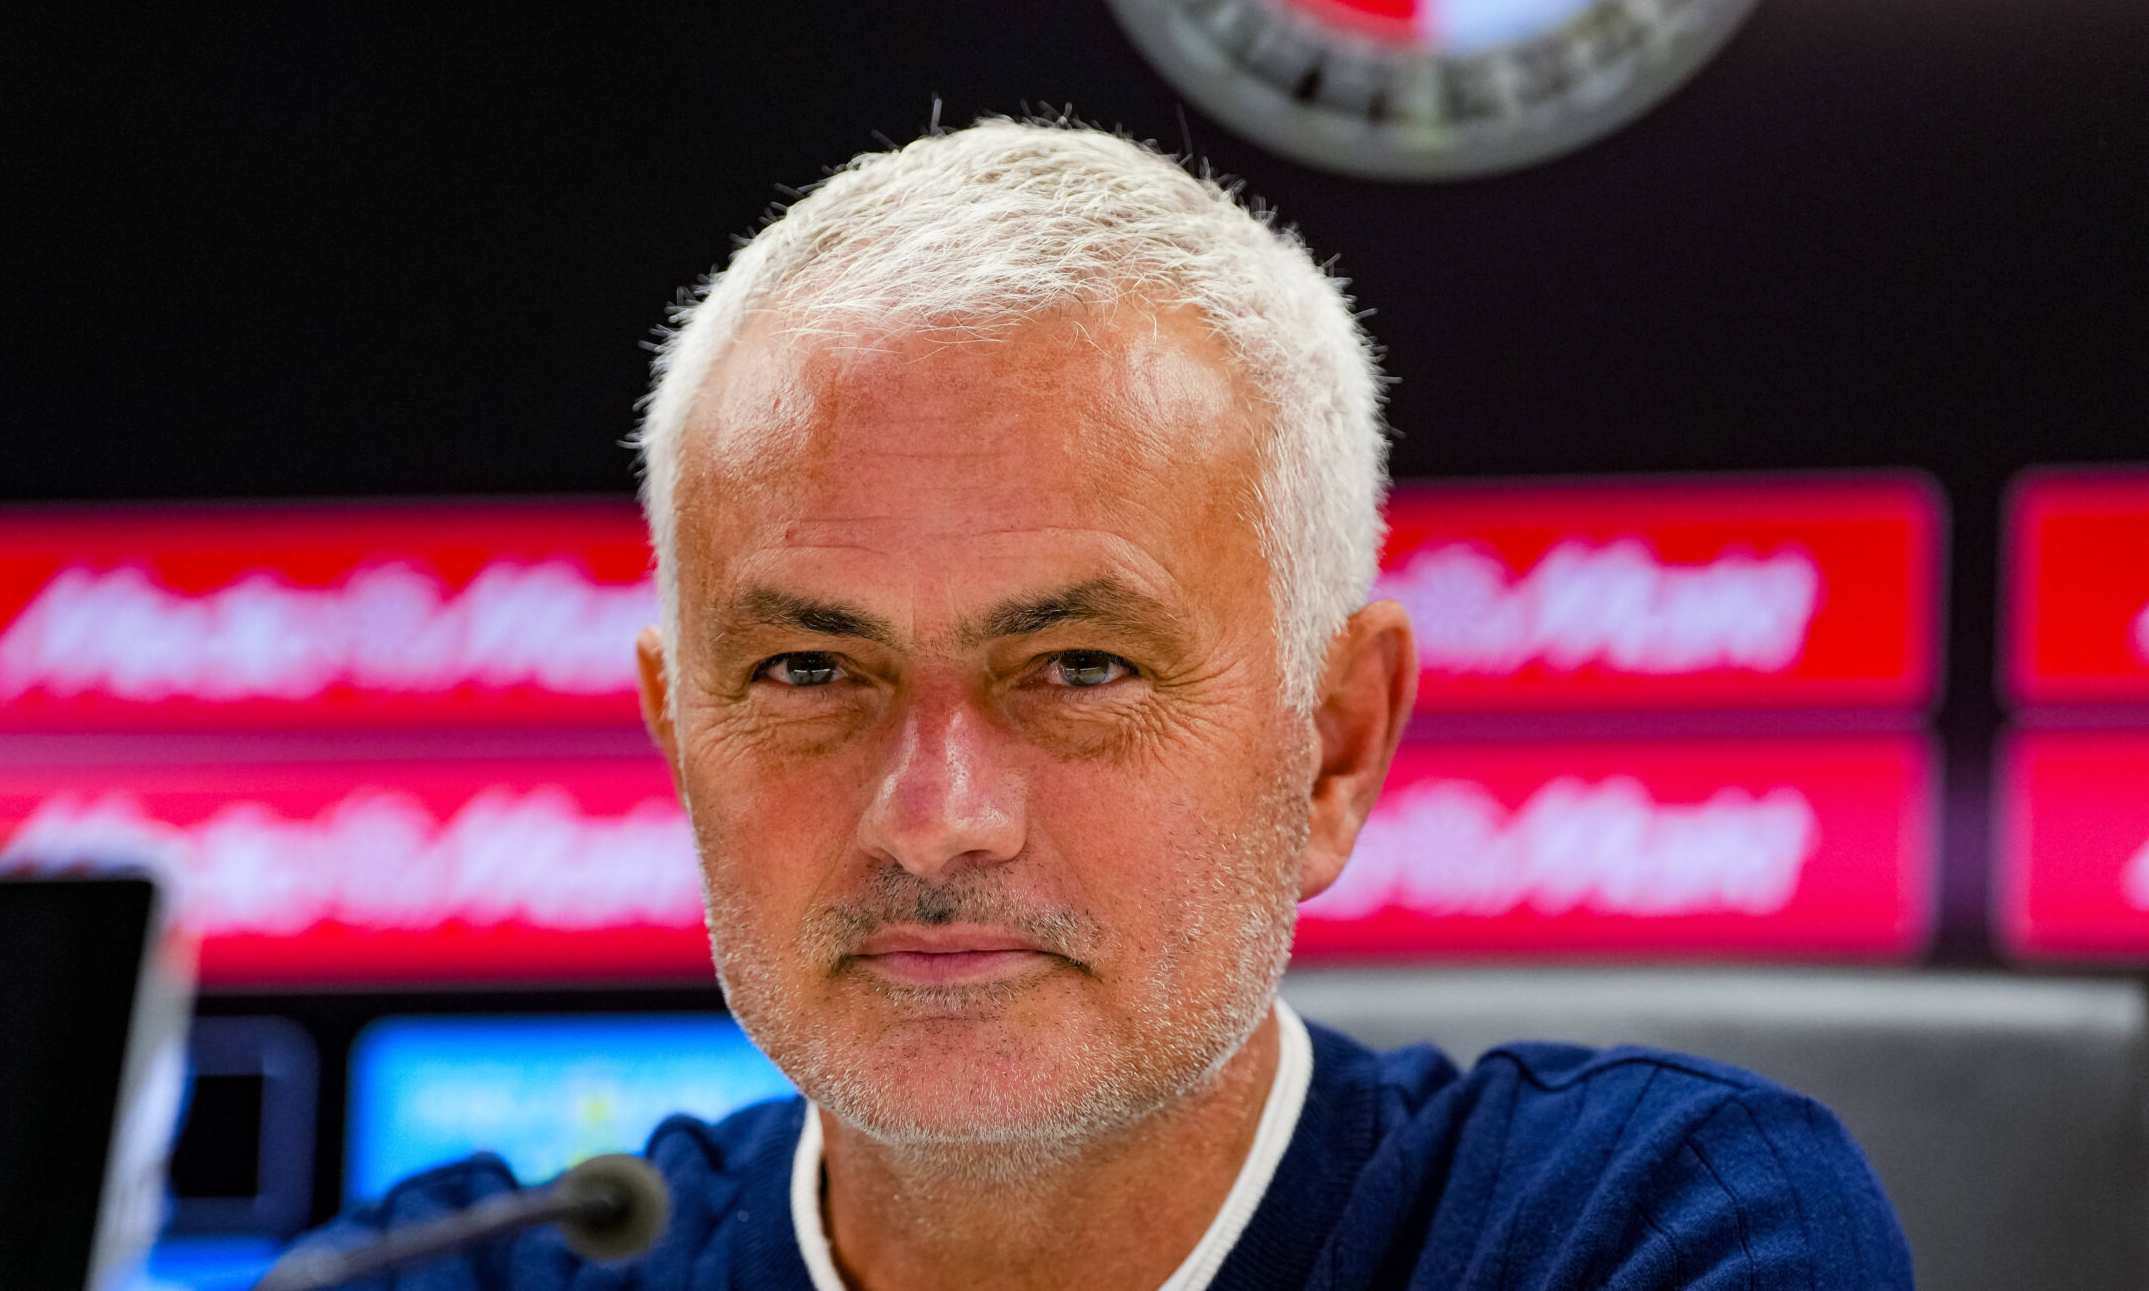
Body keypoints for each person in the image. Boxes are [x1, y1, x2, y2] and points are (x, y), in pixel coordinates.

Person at [310, 120, 1912, 1290]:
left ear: (1335, 746)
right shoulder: (434, 1276)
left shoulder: (1653, 1234)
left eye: (1079, 667)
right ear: (680, 743)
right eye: (811, 670)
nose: (935, 811)